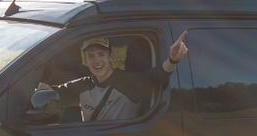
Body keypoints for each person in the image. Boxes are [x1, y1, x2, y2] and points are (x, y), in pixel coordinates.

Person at [37, 31, 188, 122]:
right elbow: (53, 94)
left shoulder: (128, 82)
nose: (97, 61)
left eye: (101, 55)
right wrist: (43, 89)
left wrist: (173, 59)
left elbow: (157, 75)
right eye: (91, 56)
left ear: (111, 57)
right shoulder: (82, 85)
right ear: (86, 61)